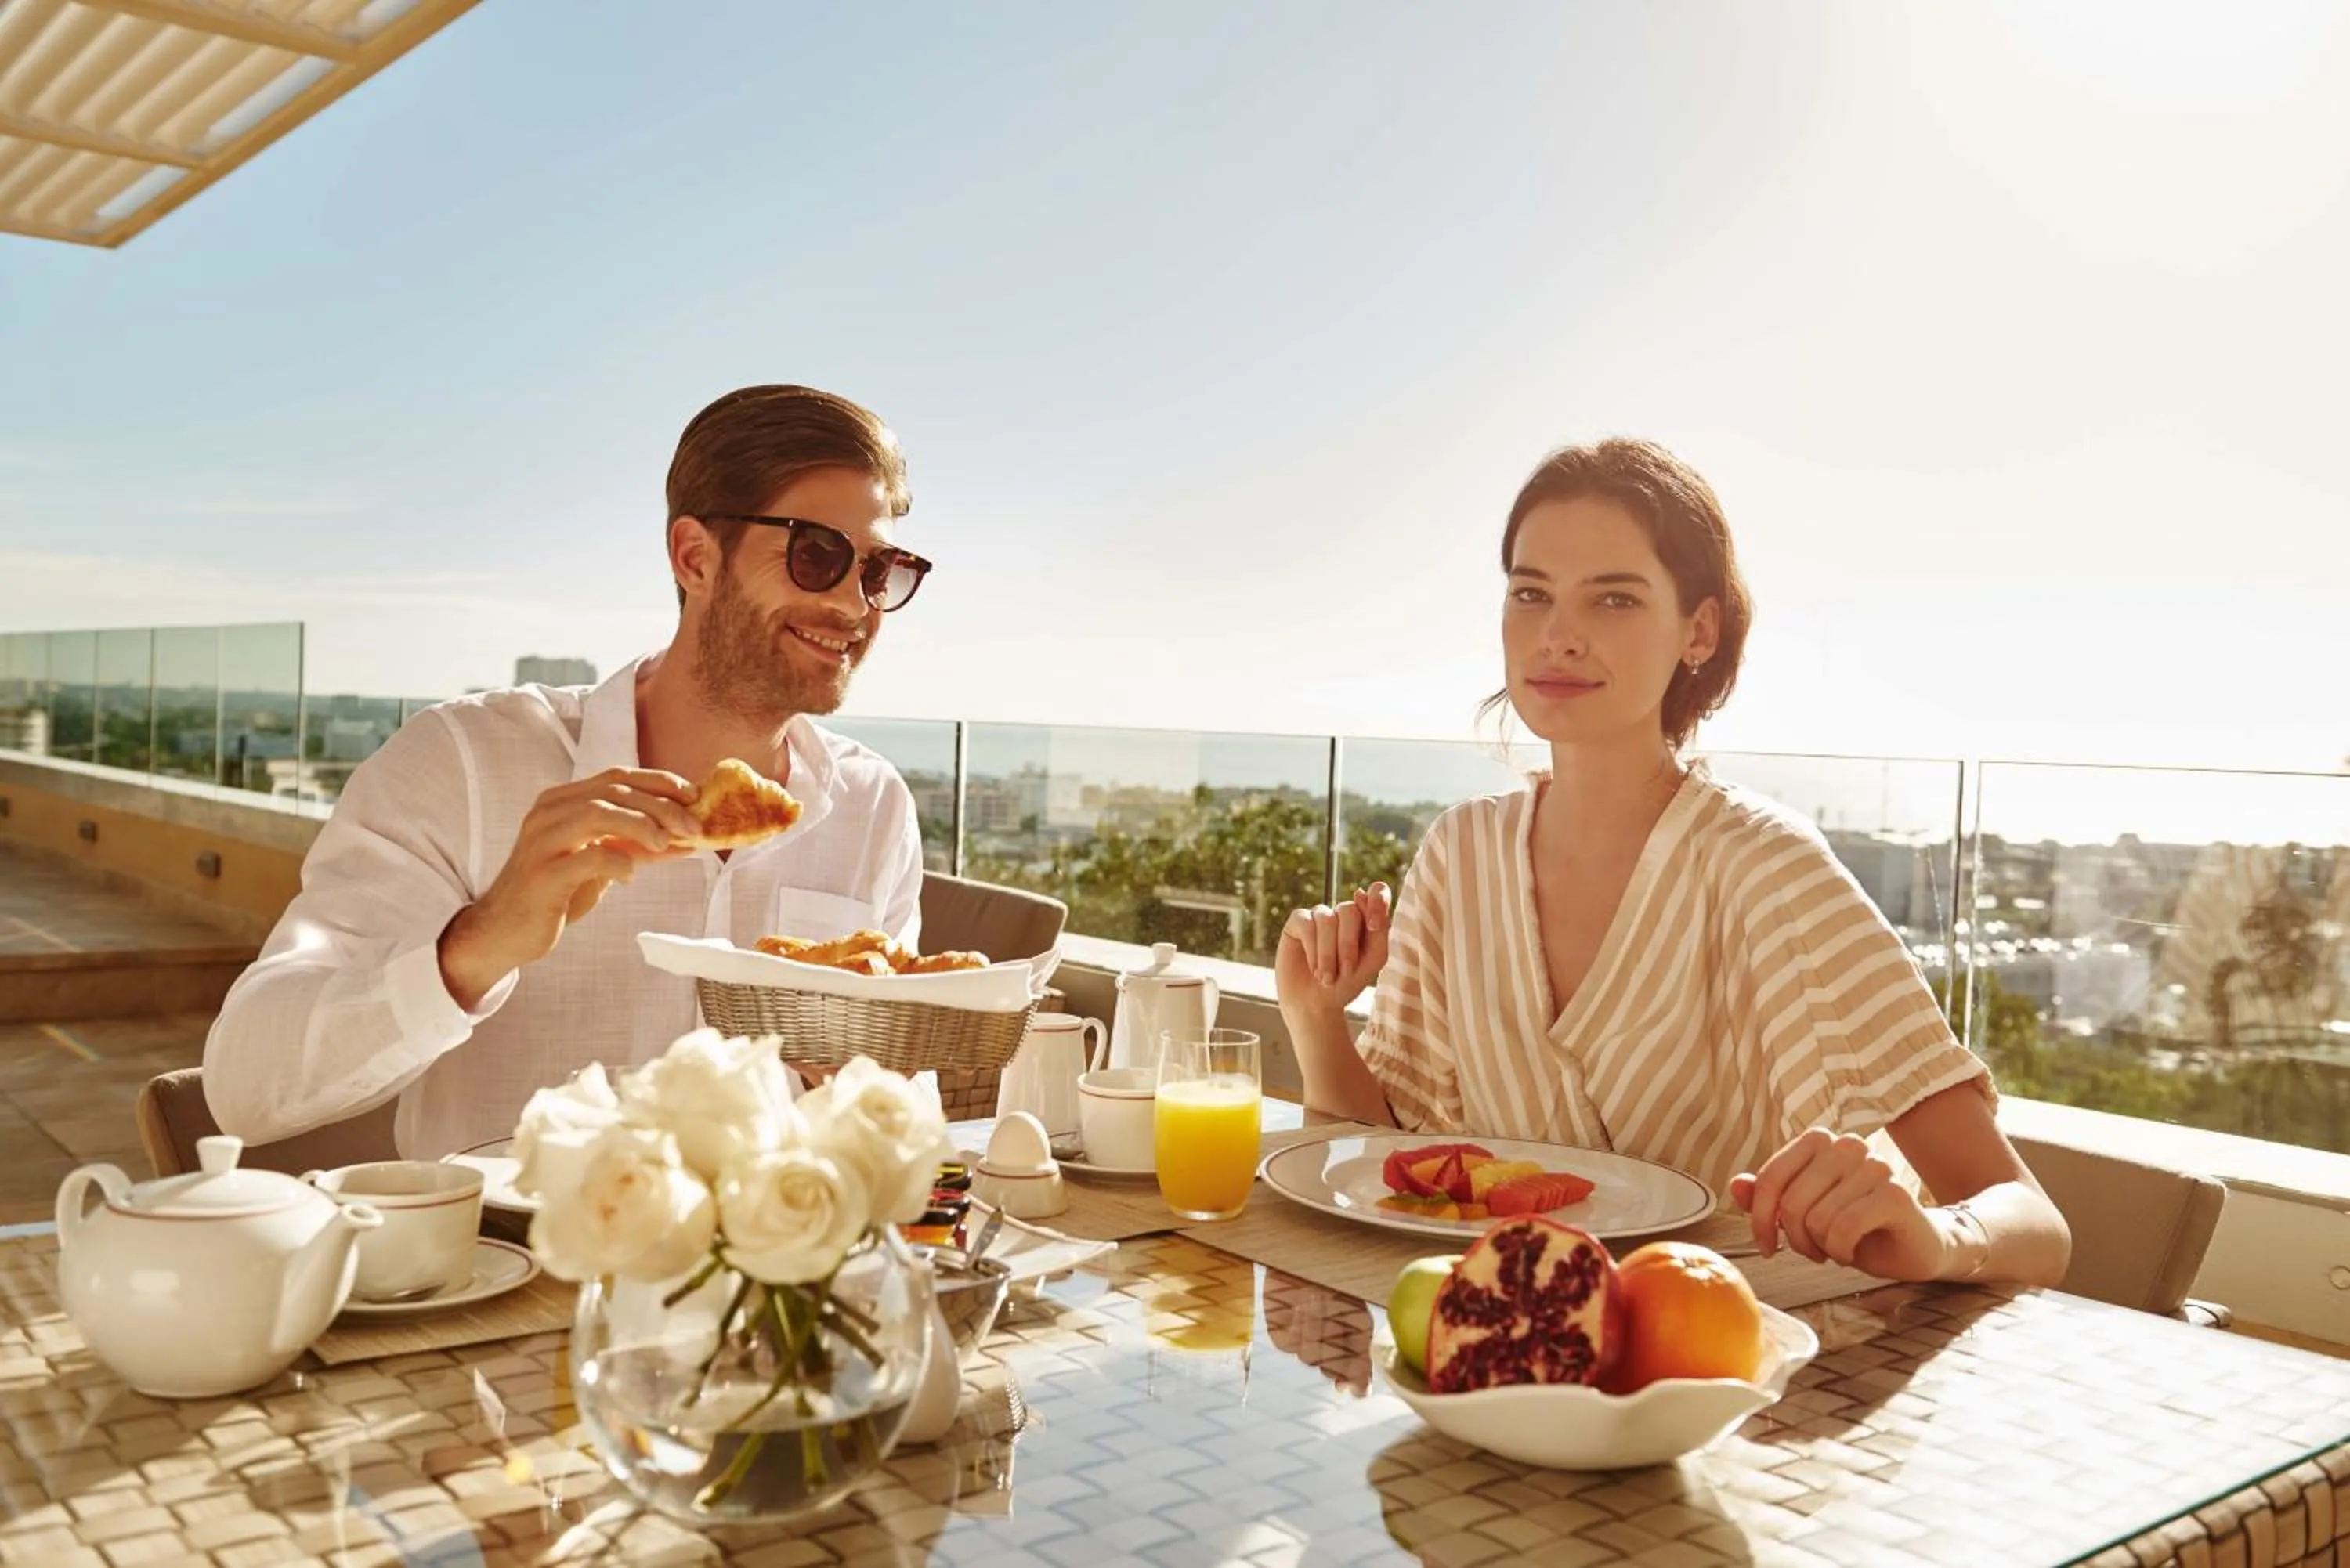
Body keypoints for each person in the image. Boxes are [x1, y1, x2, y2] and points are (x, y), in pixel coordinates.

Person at [1275, 439, 2070, 1287]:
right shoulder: (1459, 856)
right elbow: (1389, 1169)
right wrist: (1316, 1016)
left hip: (1726, 1374)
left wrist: (1942, 1236)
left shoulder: (1769, 869)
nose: (1559, 635)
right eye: (1530, 593)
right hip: (1503, 1362)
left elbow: (2033, 1225)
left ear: (1699, 628)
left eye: (1614, 598)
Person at [205, 385, 935, 1159]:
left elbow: (890, 1111)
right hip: (516, 1269)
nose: (858, 607)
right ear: (695, 557)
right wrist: (481, 943)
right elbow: (245, 1088)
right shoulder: (464, 762)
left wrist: (858, 1084)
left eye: (881, 570)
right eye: (817, 554)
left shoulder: (873, 808)